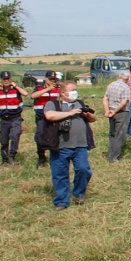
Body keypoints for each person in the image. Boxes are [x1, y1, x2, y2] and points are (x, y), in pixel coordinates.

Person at [43, 81, 97, 210]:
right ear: (63, 93)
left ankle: (78, 193)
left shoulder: (79, 103)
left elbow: (93, 118)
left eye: (75, 89)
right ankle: (62, 201)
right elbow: (49, 116)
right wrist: (70, 113)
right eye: (72, 90)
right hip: (60, 145)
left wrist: (87, 114)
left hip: (80, 145)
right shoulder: (53, 104)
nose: (75, 92)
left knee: (84, 170)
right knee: (60, 174)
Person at [0, 70, 28, 165]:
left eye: (8, 79)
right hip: (4, 118)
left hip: (15, 117)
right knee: (3, 139)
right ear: (1, 80)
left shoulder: (16, 90)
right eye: (4, 79)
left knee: (15, 135)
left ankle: (12, 155)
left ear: (10, 79)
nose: (6, 81)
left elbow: (25, 93)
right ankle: (5, 159)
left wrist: (16, 86)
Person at [30, 71, 61, 168]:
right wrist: (47, 89)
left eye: (54, 80)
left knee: (55, 137)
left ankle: (54, 157)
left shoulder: (58, 90)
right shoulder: (38, 88)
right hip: (41, 117)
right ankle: (41, 157)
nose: (52, 81)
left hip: (54, 117)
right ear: (45, 79)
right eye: (50, 79)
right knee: (40, 137)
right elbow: (33, 96)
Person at [102, 71, 130, 163]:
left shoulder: (111, 85)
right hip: (120, 112)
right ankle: (115, 157)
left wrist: (107, 110)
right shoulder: (125, 87)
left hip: (110, 111)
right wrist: (115, 111)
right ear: (127, 79)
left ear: (119, 76)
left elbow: (105, 98)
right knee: (119, 135)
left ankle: (110, 155)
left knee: (112, 134)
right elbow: (123, 103)